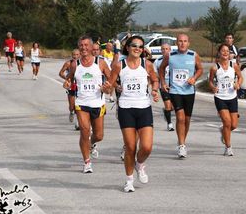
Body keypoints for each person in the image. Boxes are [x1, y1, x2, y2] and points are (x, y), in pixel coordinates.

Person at [105, 35, 159, 192]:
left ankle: (140, 164)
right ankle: (129, 180)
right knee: (130, 147)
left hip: (144, 108)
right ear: (127, 47)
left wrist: (155, 90)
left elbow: (155, 80)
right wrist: (109, 87)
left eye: (140, 46)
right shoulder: (119, 66)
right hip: (126, 108)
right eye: (134, 45)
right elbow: (111, 82)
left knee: (147, 147)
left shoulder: (147, 64)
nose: (137, 48)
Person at [63, 36, 111, 173]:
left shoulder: (100, 62)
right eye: (81, 45)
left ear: (91, 47)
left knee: (99, 135)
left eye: (86, 45)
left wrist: (107, 87)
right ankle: (87, 162)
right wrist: (66, 83)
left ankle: (90, 144)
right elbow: (69, 79)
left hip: (98, 103)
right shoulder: (75, 64)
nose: (83, 48)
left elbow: (110, 79)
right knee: (84, 131)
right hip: (81, 103)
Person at [159, 33, 203, 159]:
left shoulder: (193, 55)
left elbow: (200, 69)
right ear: (176, 43)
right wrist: (163, 83)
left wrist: (194, 78)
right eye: (180, 41)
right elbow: (161, 69)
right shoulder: (170, 55)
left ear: (188, 43)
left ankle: (182, 140)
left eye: (185, 41)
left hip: (189, 92)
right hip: (175, 91)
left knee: (187, 119)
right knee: (180, 117)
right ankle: (182, 145)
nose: (182, 43)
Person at [208, 44, 243, 156]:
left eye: (227, 51)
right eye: (223, 51)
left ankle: (223, 131)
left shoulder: (234, 65)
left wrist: (238, 84)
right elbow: (210, 81)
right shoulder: (215, 68)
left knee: (233, 125)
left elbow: (240, 77)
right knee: (227, 122)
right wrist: (213, 87)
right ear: (219, 53)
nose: (225, 53)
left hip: (232, 97)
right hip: (220, 97)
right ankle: (228, 147)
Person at [154, 43, 174, 131]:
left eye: (167, 49)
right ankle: (170, 124)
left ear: (170, 50)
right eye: (163, 49)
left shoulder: (175, 59)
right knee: (168, 105)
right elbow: (155, 76)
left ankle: (166, 111)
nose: (165, 50)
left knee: (173, 107)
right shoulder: (157, 61)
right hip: (164, 86)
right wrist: (155, 88)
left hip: (175, 86)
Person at [59, 49, 80, 129]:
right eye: (74, 55)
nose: (75, 56)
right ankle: (71, 112)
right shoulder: (68, 63)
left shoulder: (83, 63)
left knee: (80, 104)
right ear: (72, 55)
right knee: (72, 106)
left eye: (77, 55)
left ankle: (78, 123)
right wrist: (67, 79)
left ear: (80, 55)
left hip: (80, 86)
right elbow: (60, 73)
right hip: (71, 85)